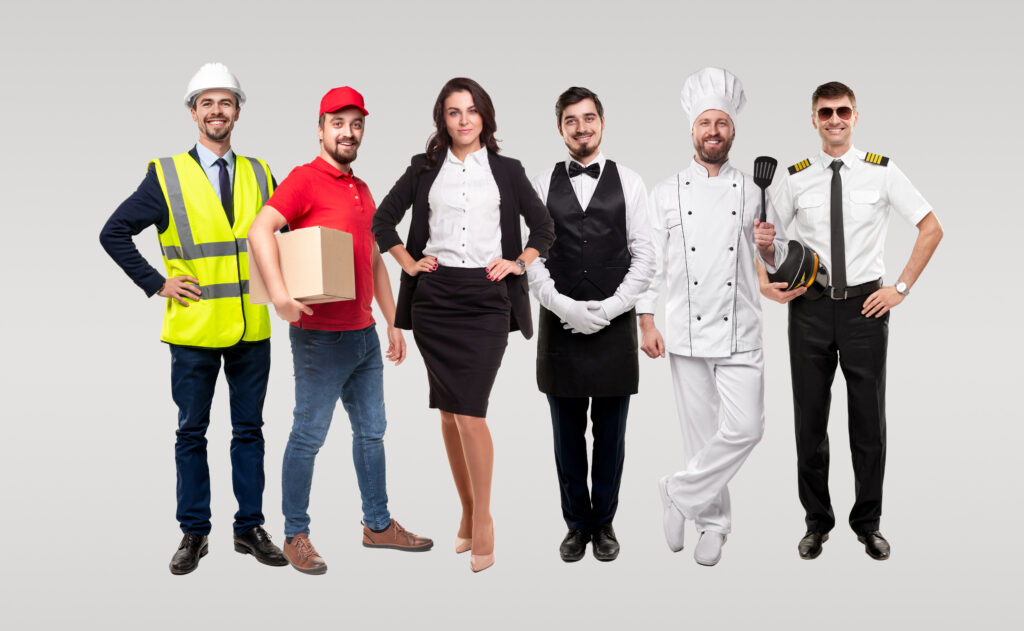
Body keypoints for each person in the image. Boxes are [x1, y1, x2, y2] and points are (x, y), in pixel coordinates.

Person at [99, 62, 286, 574]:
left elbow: (288, 237)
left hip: (251, 327)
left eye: (226, 102)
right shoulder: (165, 175)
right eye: (207, 103)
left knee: (250, 431)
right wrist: (156, 282)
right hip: (194, 328)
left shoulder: (261, 173)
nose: (217, 111)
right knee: (191, 434)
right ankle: (194, 532)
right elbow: (113, 232)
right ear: (193, 112)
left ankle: (249, 528)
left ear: (238, 112)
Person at [248, 87, 433, 576]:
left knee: (372, 433)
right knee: (308, 436)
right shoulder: (304, 180)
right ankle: (295, 534)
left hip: (364, 335)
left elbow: (372, 258)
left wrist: (393, 320)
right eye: (338, 123)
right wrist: (281, 298)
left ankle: (378, 525)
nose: (348, 133)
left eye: (356, 124)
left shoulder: (362, 189)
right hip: (320, 337)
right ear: (320, 128)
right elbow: (260, 229)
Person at [373, 77, 555, 573]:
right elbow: (382, 221)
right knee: (450, 414)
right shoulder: (424, 167)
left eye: (472, 110)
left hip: (487, 299)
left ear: (485, 116)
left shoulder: (507, 170)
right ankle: (468, 512)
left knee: (470, 411)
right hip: (435, 300)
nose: (464, 120)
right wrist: (409, 263)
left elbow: (544, 228)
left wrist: (518, 263)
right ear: (443, 119)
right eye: (454, 112)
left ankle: (485, 520)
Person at [759, 81, 943, 561]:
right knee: (809, 422)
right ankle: (816, 524)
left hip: (866, 309)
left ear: (855, 116)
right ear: (814, 120)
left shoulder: (882, 172)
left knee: (868, 424)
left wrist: (900, 288)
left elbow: (931, 226)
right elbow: (764, 240)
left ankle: (868, 524)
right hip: (810, 309)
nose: (835, 119)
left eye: (842, 111)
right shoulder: (796, 177)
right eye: (825, 112)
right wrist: (765, 277)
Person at [641, 67, 788, 566]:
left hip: (740, 327)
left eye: (721, 123)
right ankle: (713, 525)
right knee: (701, 436)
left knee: (747, 428)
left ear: (733, 130)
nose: (713, 131)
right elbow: (651, 264)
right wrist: (646, 320)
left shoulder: (754, 189)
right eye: (705, 122)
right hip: (683, 329)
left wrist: (768, 247)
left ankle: (677, 492)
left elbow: (777, 260)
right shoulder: (666, 192)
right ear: (692, 129)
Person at [528, 87, 655, 563]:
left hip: (614, 329)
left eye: (588, 118)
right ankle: (575, 525)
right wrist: (566, 308)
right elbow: (530, 257)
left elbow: (645, 256)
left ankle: (604, 523)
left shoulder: (632, 182)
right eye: (571, 121)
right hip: (559, 328)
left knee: (610, 438)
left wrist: (612, 307)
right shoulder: (540, 183)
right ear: (560, 128)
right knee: (566, 439)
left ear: (602, 122)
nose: (581, 128)